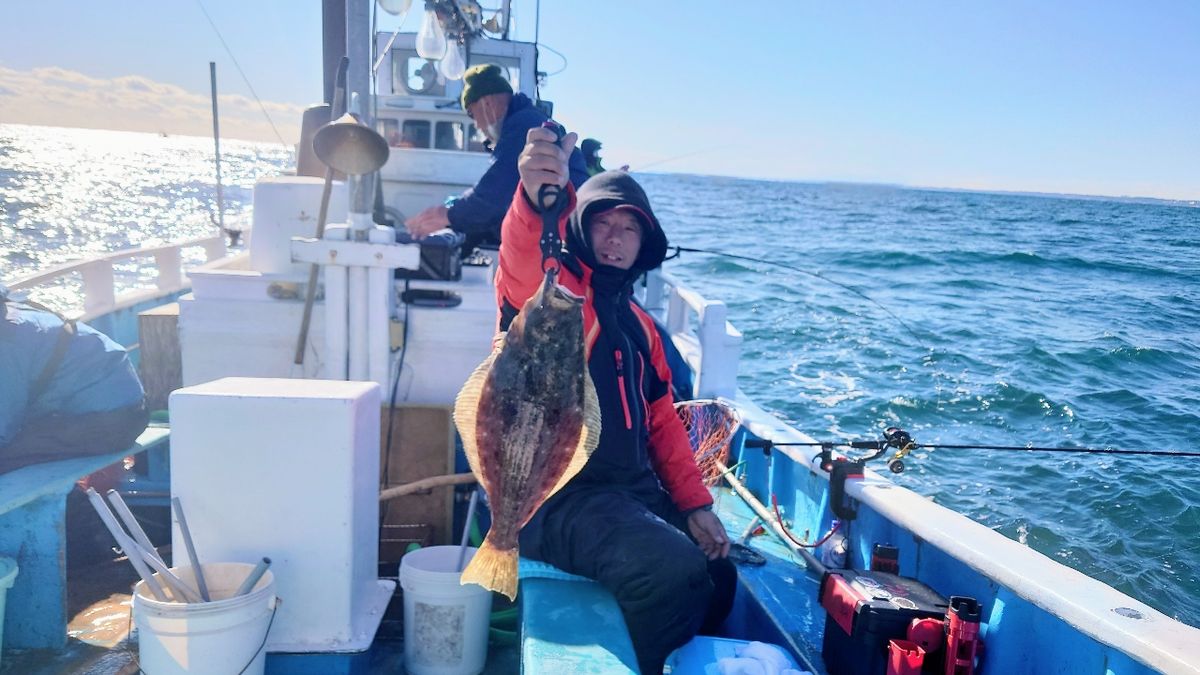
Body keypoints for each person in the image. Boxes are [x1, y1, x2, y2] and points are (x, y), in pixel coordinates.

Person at [498, 128, 736, 674]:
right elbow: (521, 260)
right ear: (580, 227)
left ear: (642, 244)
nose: (615, 237)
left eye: (629, 228)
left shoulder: (642, 328)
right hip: (554, 499)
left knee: (720, 573)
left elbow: (662, 425)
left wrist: (696, 505)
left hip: (625, 494)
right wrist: (533, 196)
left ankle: (669, 652)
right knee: (672, 569)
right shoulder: (555, 296)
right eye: (603, 222)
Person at [405, 63, 589, 247]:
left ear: (487, 103)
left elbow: (495, 196)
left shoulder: (523, 126)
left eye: (471, 113)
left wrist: (446, 215)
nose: (476, 125)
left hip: (570, 235)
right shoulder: (526, 120)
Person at [0, 285, 148, 476]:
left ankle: (67, 502)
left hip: (113, 421)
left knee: (6, 455)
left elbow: (3, 430)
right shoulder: (17, 314)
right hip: (127, 405)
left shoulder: (8, 344)